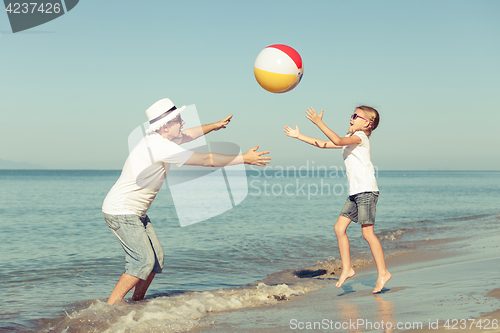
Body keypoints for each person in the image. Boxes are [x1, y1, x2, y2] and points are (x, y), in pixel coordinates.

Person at [102, 98, 271, 305]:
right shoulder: (159, 147)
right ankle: (109, 309)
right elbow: (205, 160)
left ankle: (136, 302)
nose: (183, 123)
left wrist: (214, 126)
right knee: (143, 261)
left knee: (156, 260)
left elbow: (189, 134)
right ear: (165, 125)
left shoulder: (163, 140)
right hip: (121, 210)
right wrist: (243, 158)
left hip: (135, 212)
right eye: (179, 120)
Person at [284, 106, 390, 293]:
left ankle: (383, 273)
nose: (351, 118)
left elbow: (337, 139)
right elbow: (324, 143)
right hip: (356, 192)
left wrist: (319, 122)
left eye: (355, 116)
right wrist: (299, 136)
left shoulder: (360, 138)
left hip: (366, 191)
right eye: (351, 114)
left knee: (367, 233)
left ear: (366, 122)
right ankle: (348, 268)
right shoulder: (351, 142)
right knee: (339, 228)